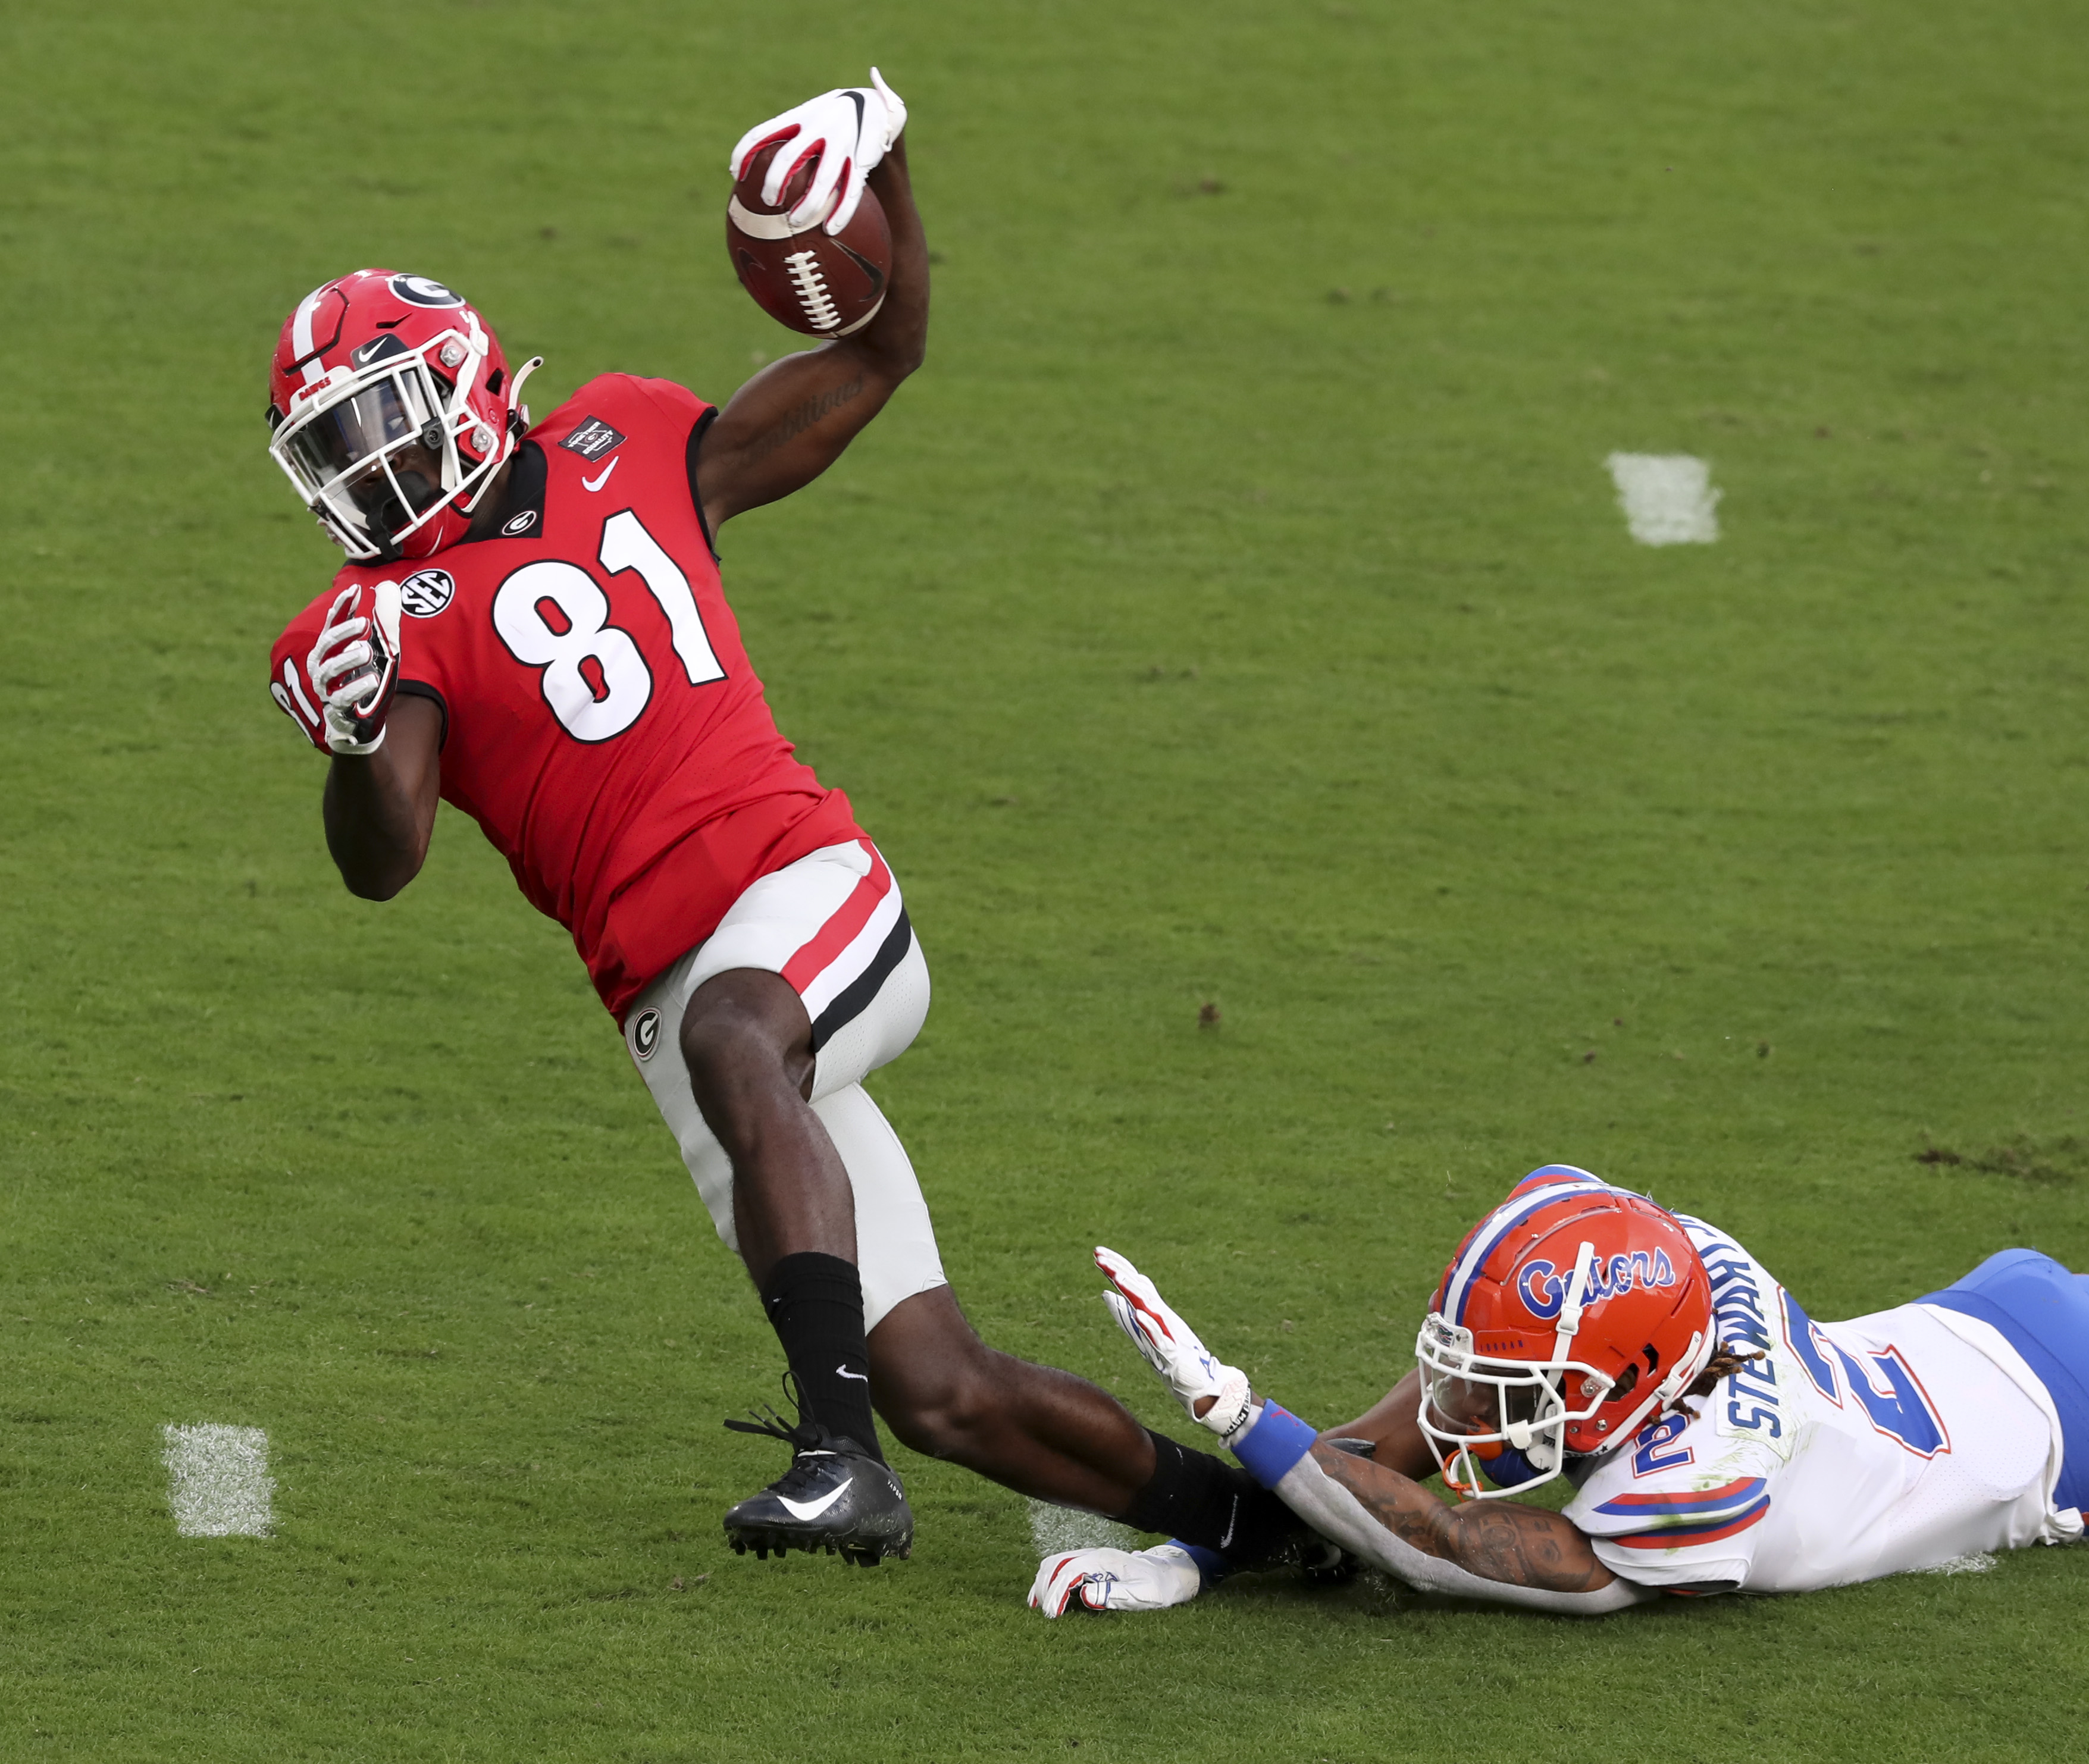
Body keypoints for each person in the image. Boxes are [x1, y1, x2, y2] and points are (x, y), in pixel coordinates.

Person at [258, 74, 1310, 1572]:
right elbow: (387, 859)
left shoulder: (622, 438)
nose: (368, 465)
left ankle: (836, 1463)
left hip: (801, 890)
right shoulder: (374, 623)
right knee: (940, 1383)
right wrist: (354, 739)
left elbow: (880, 347)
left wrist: (892, 170)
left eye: (381, 419)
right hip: (672, 1004)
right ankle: (1260, 1530)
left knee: (743, 1037)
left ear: (470, 379)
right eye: (334, 445)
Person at [1031, 966, 2089, 1615]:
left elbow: (1443, 1543)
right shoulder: (1676, 1272)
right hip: (2000, 1323)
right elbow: (1417, 1438)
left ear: (1635, 1380)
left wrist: (1253, 1417)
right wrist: (1209, 1540)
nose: (1470, 1400)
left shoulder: (1696, 1478)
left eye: (1517, 1386)